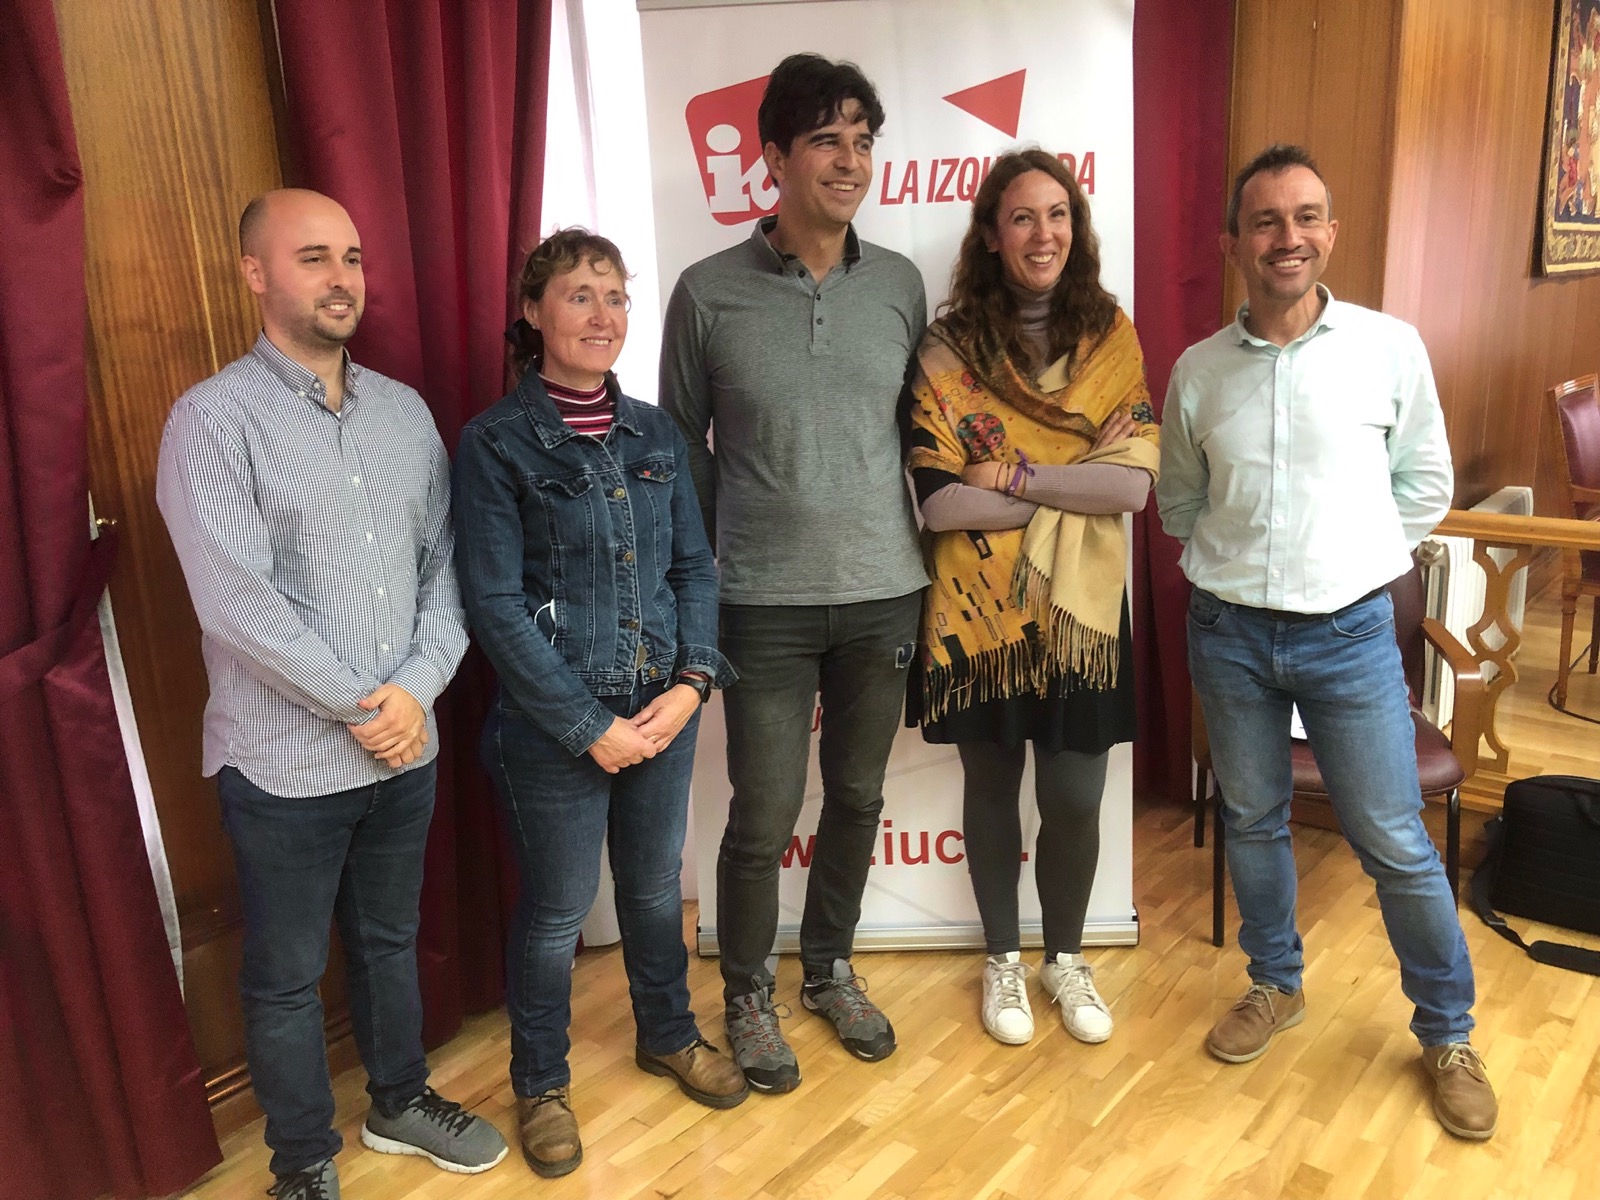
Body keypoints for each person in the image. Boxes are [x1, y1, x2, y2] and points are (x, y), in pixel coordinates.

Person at [156, 189, 507, 1200]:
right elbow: (236, 604)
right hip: (286, 763)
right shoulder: (212, 419)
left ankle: (399, 1101)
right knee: (283, 974)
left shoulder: (404, 414)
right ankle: (303, 1163)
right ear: (256, 274)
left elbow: (448, 568)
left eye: (351, 256)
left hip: (406, 748)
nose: (341, 277)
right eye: (313, 257)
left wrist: (418, 692)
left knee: (391, 939)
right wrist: (372, 705)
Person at [1156, 144, 1497, 1140]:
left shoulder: (1389, 348)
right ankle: (1275, 984)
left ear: (1331, 233)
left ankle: (1446, 1031)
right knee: (1252, 820)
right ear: (1233, 244)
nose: (1287, 238)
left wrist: (1350, 563)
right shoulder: (1196, 371)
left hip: (1349, 636)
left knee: (1393, 840)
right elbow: (1181, 502)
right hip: (1225, 631)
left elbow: (1423, 485)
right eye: (1264, 222)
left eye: (1306, 217)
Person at [660, 52, 929, 1093]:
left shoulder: (900, 284)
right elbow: (682, 450)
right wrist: (722, 562)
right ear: (771, 156)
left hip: (883, 591)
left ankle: (828, 971)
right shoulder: (706, 294)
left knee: (856, 798)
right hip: (758, 603)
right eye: (826, 139)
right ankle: (744, 998)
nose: (850, 160)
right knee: (762, 814)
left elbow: (923, 435)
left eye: (863, 140)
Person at [453, 229, 746, 1178]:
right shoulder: (496, 442)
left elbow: (694, 568)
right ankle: (540, 1081)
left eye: (615, 296)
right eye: (579, 295)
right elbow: (493, 605)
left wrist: (692, 683)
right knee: (557, 910)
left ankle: (667, 1032)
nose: (602, 315)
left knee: (658, 887)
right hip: (551, 731)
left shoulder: (656, 432)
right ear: (534, 312)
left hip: (660, 712)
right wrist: (589, 727)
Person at [904, 149, 1158, 1048]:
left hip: (1080, 609)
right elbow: (940, 500)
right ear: (990, 234)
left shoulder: (1111, 337)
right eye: (1022, 217)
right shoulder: (948, 349)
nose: (1042, 232)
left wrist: (1010, 473)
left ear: (1075, 229)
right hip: (978, 605)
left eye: (1057, 215)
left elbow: (1131, 491)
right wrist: (1073, 475)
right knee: (991, 785)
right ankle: (1004, 961)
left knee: (1076, 796)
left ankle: (1065, 958)